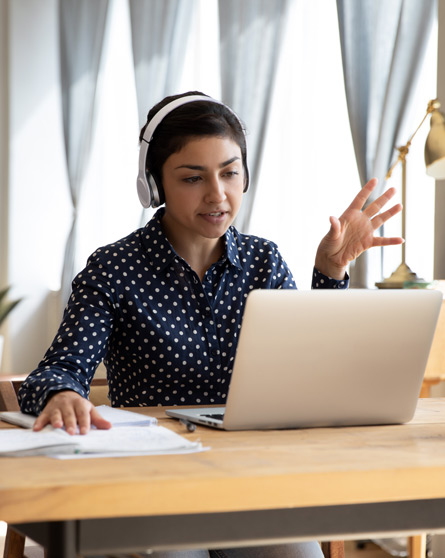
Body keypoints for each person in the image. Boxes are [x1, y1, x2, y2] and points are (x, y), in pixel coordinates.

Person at [18, 91, 402, 558]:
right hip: (153, 486)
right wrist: (62, 394)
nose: (217, 194)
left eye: (229, 172)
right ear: (155, 185)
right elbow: (57, 371)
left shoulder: (264, 260)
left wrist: (330, 274)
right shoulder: (113, 268)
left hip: (253, 482)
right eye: (192, 177)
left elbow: (309, 372)